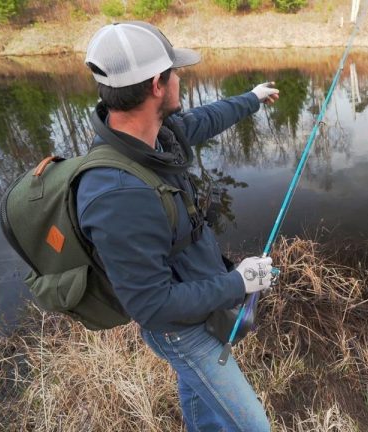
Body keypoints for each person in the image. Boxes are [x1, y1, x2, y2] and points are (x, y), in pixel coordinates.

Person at [77, 21, 278, 431]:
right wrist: (239, 283)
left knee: (198, 401)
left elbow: (204, 119)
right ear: (157, 85)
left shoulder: (154, 134)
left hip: (199, 305)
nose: (181, 78)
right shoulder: (116, 195)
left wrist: (252, 99)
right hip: (181, 332)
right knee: (255, 427)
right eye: (175, 72)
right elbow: (152, 306)